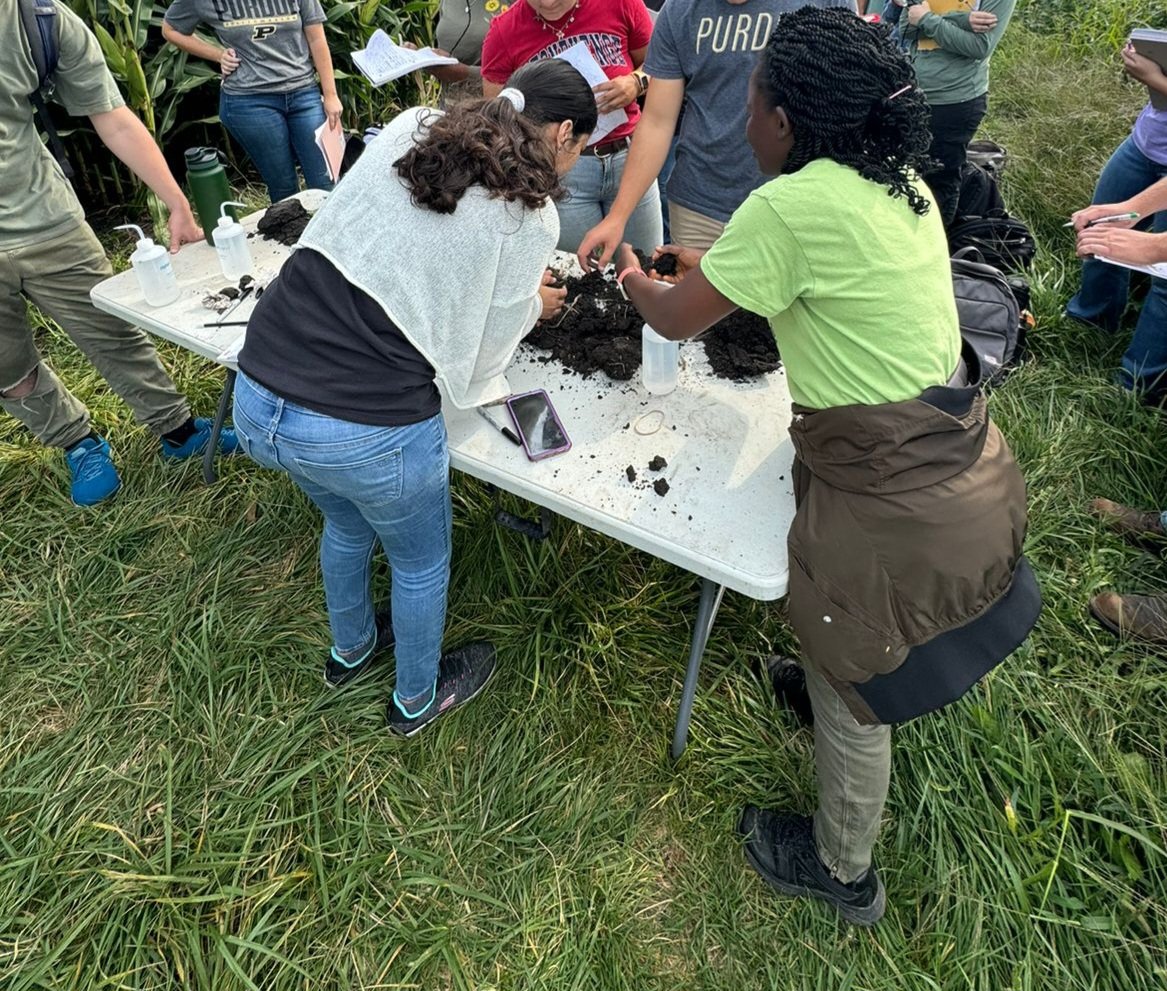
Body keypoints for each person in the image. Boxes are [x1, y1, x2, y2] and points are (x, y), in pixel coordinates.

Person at [611, 7, 1039, 924]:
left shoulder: (785, 207)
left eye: (751, 108)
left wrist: (636, 279)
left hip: (894, 499)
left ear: (784, 122)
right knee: (826, 624)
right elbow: (805, 268)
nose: (741, 124)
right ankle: (812, 681)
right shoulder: (896, 181)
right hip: (951, 447)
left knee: (855, 680)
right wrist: (707, 262)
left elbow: (674, 319)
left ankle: (842, 870)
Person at [231, 60, 596, 736]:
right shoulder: (529, 217)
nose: (575, 162)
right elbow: (481, 361)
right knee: (420, 561)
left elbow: (387, 245)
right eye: (580, 150)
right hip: (365, 429)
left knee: (346, 524)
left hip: (258, 394)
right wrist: (530, 306)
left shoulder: (412, 127)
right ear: (564, 133)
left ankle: (350, 651)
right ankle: (415, 702)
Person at [2, 0, 237, 507]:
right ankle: (76, 442)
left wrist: (177, 203)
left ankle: (177, 429)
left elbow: (113, 118)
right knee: (8, 371)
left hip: (49, 221)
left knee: (115, 333)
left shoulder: (37, 20)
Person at [575, 0, 855, 270]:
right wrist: (618, 216)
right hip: (699, 209)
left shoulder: (826, 2)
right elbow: (658, 121)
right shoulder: (679, 11)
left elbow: (848, 104)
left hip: (792, 205)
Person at [480, 0, 662, 254]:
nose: (547, 3)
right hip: (563, 170)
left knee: (645, 260)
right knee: (577, 269)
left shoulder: (619, 3)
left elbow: (659, 63)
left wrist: (636, 83)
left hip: (631, 157)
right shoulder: (505, 30)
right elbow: (498, 117)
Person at [161, 0, 341, 203]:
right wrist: (218, 55)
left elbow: (317, 39)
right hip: (249, 102)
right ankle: (291, 223)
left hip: (304, 94)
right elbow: (170, 29)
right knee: (284, 188)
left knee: (326, 182)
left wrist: (331, 95)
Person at [1066, 47, 1167, 403]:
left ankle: (1136, 390)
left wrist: (1155, 248)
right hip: (1147, 143)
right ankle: (1091, 325)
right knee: (1103, 231)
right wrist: (1130, 210)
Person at [900, 0, 1016, 228]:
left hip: (954, 100)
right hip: (912, 93)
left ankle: (939, 244)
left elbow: (979, 47)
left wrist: (927, 19)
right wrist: (961, 20)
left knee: (939, 181)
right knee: (905, 175)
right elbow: (907, 25)